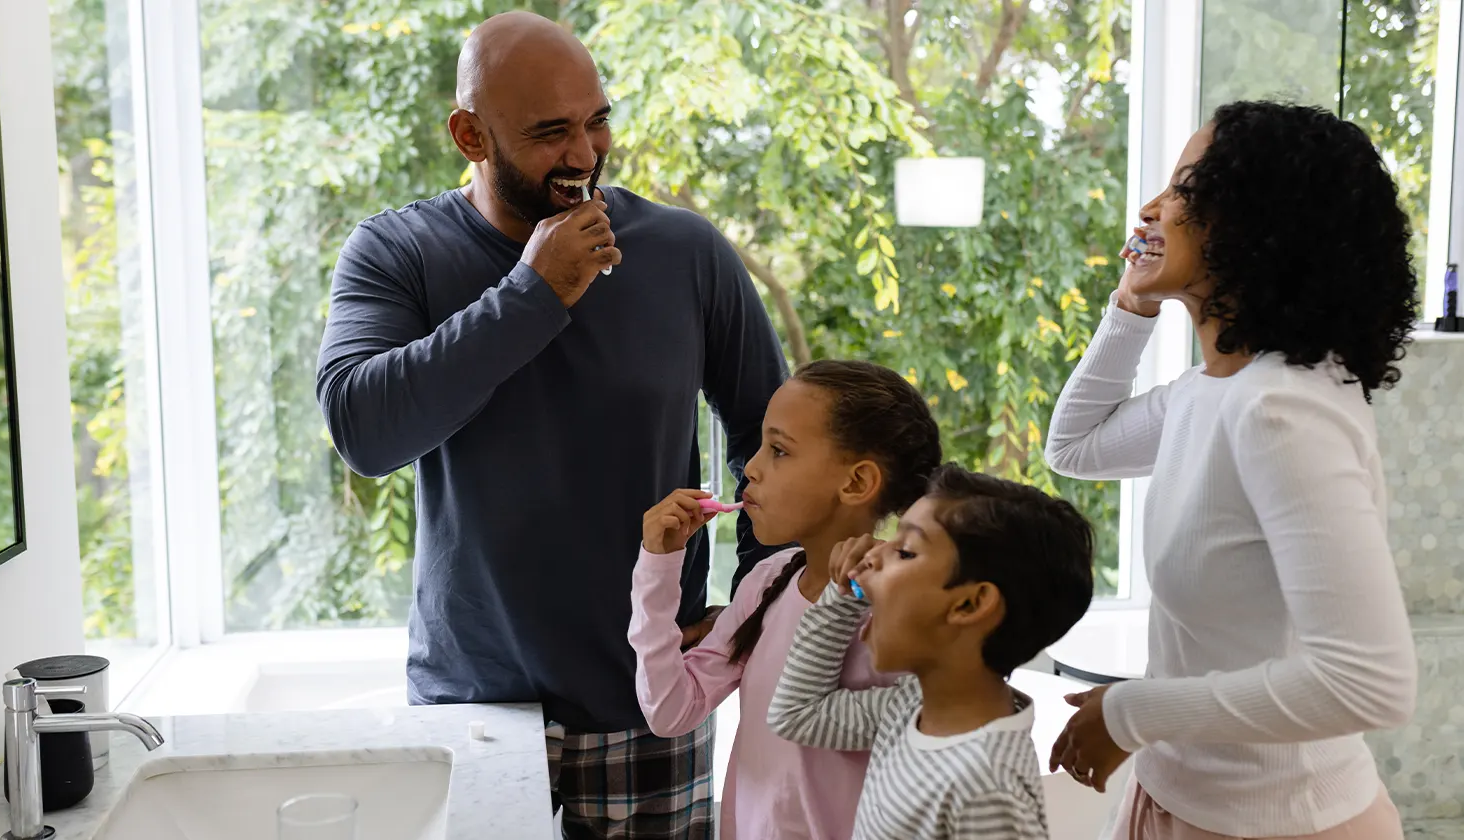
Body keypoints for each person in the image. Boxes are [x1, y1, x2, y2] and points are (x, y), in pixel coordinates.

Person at [314, 11, 789, 838]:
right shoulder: (396, 253)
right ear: (470, 134)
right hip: (471, 705)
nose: (584, 153)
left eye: (596, 120)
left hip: (648, 702)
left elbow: (769, 433)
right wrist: (533, 294)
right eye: (549, 133)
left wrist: (755, 606)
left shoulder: (685, 251)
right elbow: (364, 431)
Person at [1043, 101, 1418, 840]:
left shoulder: (1279, 411)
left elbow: (1368, 682)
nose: (1151, 208)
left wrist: (1133, 712)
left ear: (1254, 221)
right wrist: (1132, 305)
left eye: (1183, 187)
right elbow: (1075, 446)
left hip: (1279, 824)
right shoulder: (1212, 393)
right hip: (1180, 798)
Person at [629, 360, 943, 838]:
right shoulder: (767, 581)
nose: (750, 468)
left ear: (856, 482)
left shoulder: (903, 610)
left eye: (778, 450)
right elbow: (671, 710)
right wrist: (658, 566)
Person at [766, 464, 1096, 839]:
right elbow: (796, 715)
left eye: (905, 552)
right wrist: (845, 595)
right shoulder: (910, 707)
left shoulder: (987, 789)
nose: (871, 556)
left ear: (970, 605)